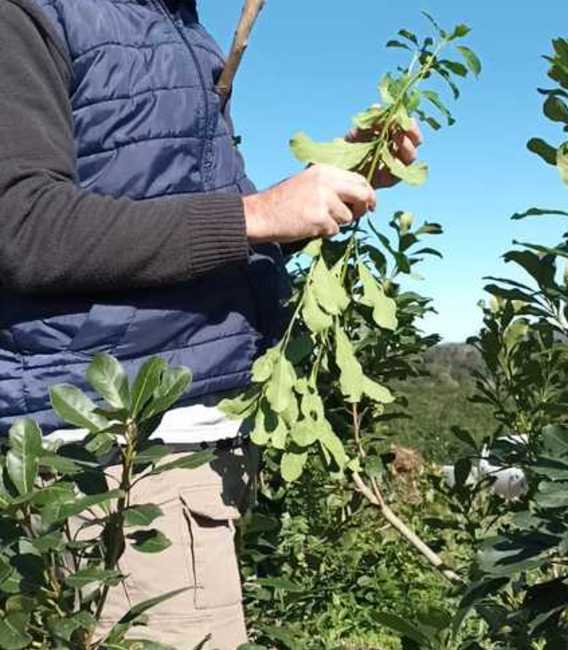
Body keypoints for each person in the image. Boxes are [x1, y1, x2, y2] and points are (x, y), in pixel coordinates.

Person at [0, 0, 420, 646]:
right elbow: (24, 229)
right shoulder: (35, 12)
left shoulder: (181, 32)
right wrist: (257, 214)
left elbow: (214, 245)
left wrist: (330, 189)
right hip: (122, 471)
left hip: (200, 466)